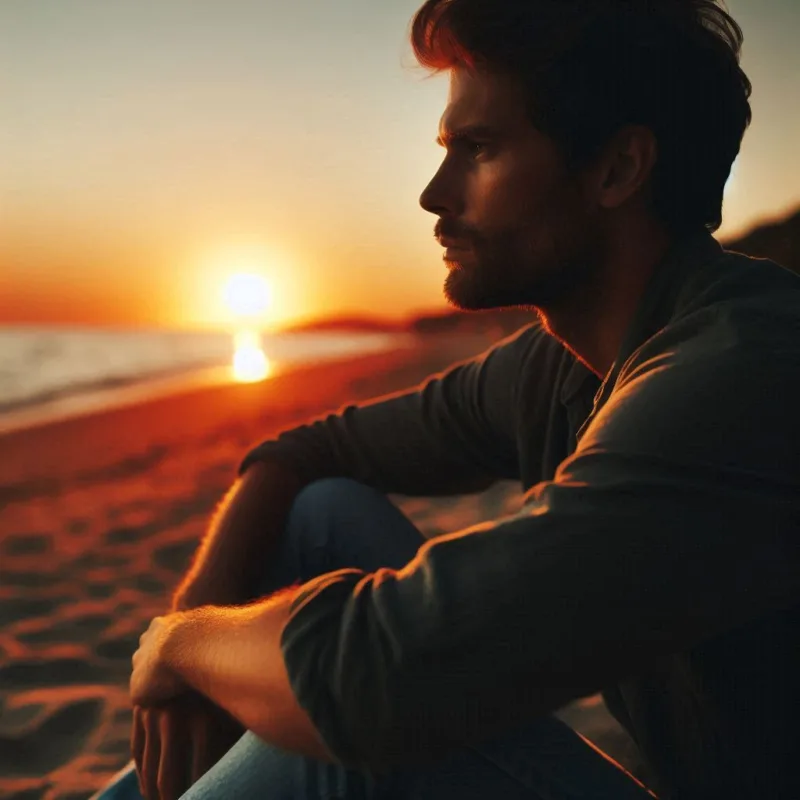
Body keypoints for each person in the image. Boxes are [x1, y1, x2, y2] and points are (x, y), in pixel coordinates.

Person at [94, 1, 800, 798]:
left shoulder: (741, 373)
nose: (434, 195)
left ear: (616, 170)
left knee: (335, 732)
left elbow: (376, 679)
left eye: (479, 149)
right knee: (322, 512)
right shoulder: (561, 364)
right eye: (446, 151)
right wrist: (197, 618)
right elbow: (307, 453)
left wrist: (182, 644)